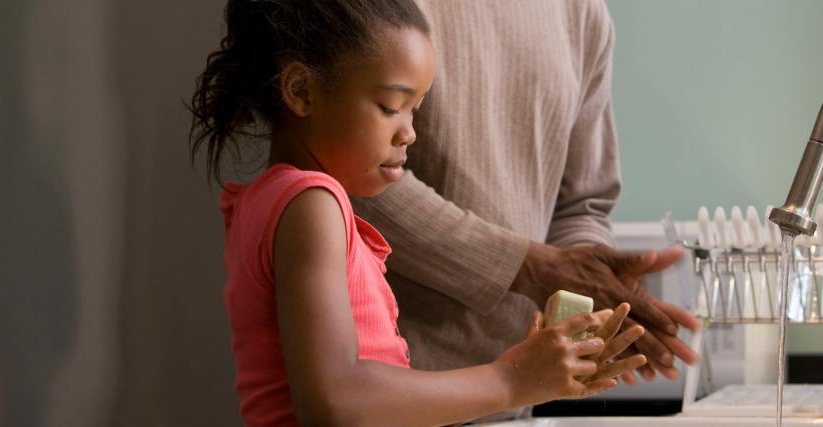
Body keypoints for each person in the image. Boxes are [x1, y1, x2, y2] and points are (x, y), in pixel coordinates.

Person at [188, 1, 647, 426]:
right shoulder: (311, 205)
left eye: (416, 110)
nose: (409, 134)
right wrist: (510, 380)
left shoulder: (276, 200)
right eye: (391, 107)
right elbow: (337, 400)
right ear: (301, 91)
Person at [350, 0, 700, 393]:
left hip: (519, 394)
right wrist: (528, 266)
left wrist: (593, 296)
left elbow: (583, 203)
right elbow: (345, 170)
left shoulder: (580, 10)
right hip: (389, 388)